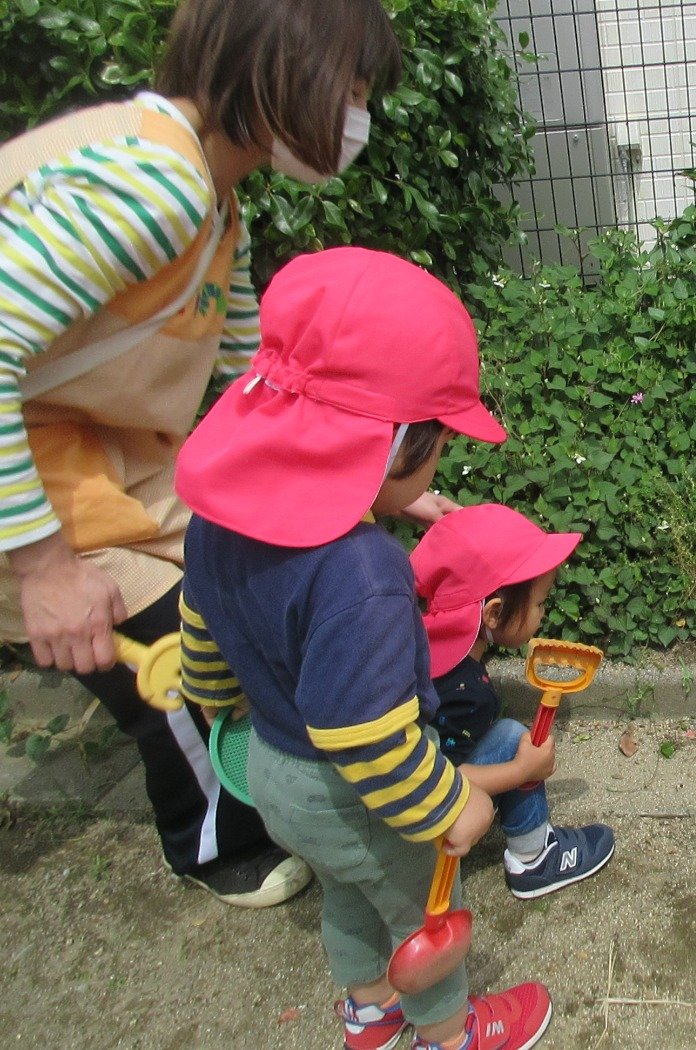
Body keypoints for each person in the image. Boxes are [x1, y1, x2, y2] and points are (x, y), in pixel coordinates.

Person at [0, 0, 406, 907]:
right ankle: (215, 841)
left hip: (90, 456)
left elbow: (259, 383)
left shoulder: (216, 205)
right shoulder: (153, 185)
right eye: (351, 91)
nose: (358, 117)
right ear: (283, 69)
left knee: (242, 578)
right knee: (171, 651)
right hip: (24, 476)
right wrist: (45, 569)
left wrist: (383, 478)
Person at [176, 247, 552, 1050]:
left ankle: (369, 1012)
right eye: (438, 441)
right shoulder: (365, 574)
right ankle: (448, 1032)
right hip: (353, 790)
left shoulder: (215, 520)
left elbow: (202, 642)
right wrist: (451, 805)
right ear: (395, 443)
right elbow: (367, 738)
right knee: (424, 915)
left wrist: (223, 706)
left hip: (272, 773)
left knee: (346, 893)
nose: (441, 457)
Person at [410, 503, 616, 899]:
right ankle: (534, 858)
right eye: (539, 603)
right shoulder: (464, 692)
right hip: (414, 816)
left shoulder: (418, 645)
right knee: (510, 737)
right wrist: (522, 770)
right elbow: (436, 779)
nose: (543, 613)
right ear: (494, 613)